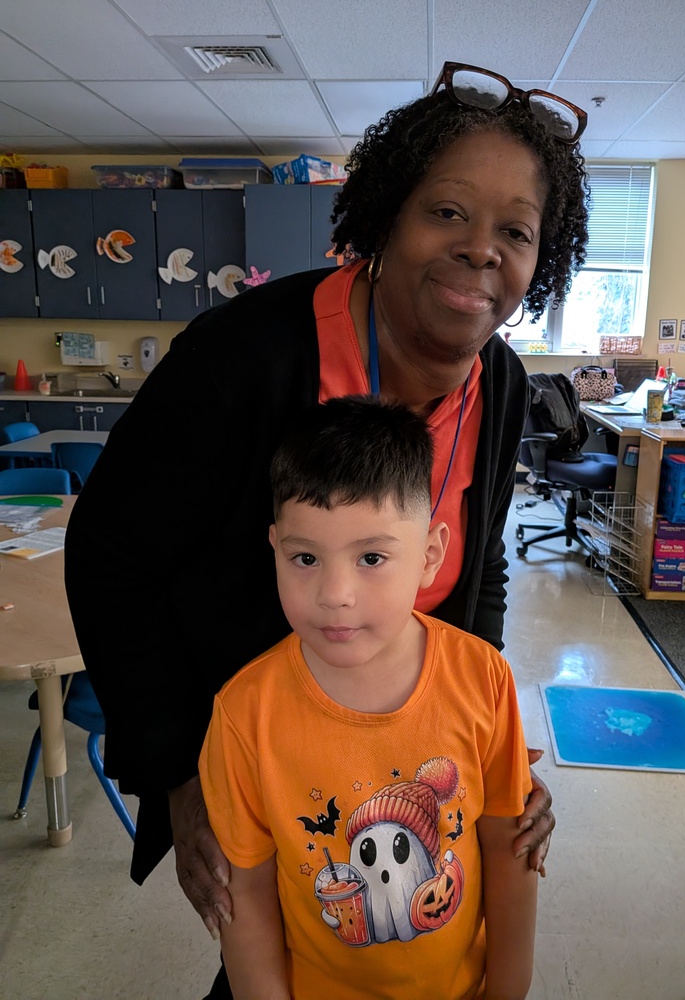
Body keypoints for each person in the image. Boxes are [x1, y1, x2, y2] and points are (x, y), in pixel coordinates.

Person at [64, 60, 589, 997]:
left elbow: (481, 572)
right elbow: (112, 559)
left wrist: (484, 743)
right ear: (385, 219)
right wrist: (181, 771)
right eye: (447, 212)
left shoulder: (501, 384)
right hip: (263, 761)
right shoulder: (242, 358)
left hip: (399, 771)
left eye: (515, 232)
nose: (481, 250)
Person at [199, 395, 537, 1000]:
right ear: (274, 548)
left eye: (372, 557)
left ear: (430, 556)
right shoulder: (244, 714)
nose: (335, 593)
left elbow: (509, 853)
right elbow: (245, 897)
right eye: (305, 557)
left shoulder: (483, 678)